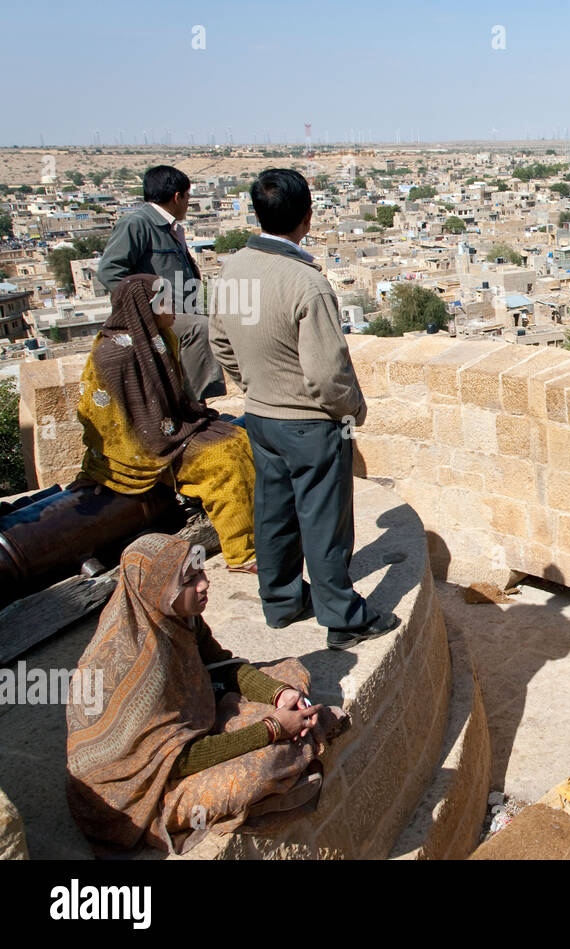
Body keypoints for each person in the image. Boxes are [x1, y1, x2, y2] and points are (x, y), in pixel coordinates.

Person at [66, 533, 349, 854]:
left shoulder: (178, 618)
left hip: (183, 728)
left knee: (291, 672)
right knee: (257, 769)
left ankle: (298, 737)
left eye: (200, 571)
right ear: (158, 589)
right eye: (189, 580)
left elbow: (222, 664)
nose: (204, 583)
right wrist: (271, 730)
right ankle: (298, 745)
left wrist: (278, 694)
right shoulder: (138, 668)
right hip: (140, 788)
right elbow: (177, 760)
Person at [210, 168, 398, 649]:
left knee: (273, 511)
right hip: (310, 423)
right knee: (324, 518)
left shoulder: (232, 270)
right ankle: (342, 617)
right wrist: (351, 410)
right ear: (307, 216)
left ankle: (281, 600)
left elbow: (221, 345)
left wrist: (256, 386)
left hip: (261, 416)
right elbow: (326, 373)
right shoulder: (305, 284)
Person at [77, 275, 257, 571]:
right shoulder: (110, 355)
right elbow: (100, 418)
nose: (171, 306)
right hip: (145, 448)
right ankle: (242, 552)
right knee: (224, 461)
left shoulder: (162, 340)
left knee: (239, 439)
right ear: (145, 308)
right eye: (164, 301)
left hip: (172, 429)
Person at [97, 165, 225, 403]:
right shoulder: (137, 224)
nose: (189, 203)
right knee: (201, 328)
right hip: (159, 317)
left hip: (182, 311)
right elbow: (109, 271)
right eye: (188, 197)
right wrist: (147, 308)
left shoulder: (170, 228)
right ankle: (198, 404)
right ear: (177, 196)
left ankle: (196, 404)